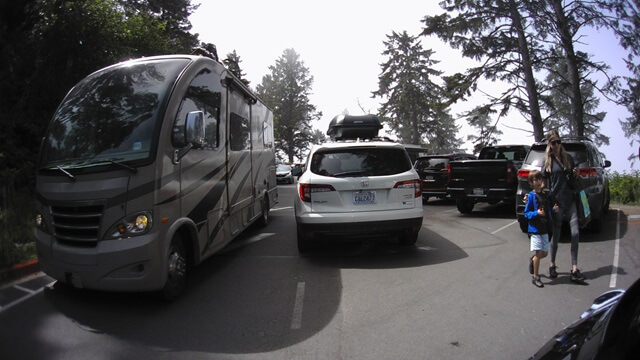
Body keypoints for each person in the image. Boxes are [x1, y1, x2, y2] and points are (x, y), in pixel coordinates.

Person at [542, 130, 585, 283]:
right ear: (549, 145)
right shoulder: (547, 162)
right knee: (556, 235)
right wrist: (547, 201)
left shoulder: (568, 158)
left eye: (559, 142)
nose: (557, 145)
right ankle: (552, 265)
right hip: (557, 203)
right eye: (554, 142)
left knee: (575, 233)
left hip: (571, 200)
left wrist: (576, 172)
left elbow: (573, 177)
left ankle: (574, 269)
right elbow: (544, 185)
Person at [524, 170, 552, 288]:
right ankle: (536, 276)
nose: (539, 181)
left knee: (544, 253)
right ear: (531, 183)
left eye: (540, 179)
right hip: (535, 230)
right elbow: (526, 213)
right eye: (536, 180)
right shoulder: (531, 196)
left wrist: (554, 211)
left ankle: (533, 260)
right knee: (539, 252)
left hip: (545, 229)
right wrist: (536, 213)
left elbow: (549, 210)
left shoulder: (545, 195)